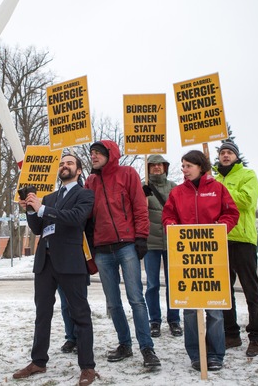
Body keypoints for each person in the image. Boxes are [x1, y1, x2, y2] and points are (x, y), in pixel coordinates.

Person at [13, 154, 97, 385]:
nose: (64, 166)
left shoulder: (85, 194)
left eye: (70, 163)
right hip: (44, 262)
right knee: (42, 314)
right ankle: (38, 361)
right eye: (62, 163)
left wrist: (42, 209)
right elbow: (38, 227)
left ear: (79, 171)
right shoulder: (49, 197)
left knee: (80, 313)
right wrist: (30, 209)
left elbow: (76, 218)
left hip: (71, 261)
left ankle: (87, 367)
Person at [84, 140, 161, 368]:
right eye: (91, 153)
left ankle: (147, 349)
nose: (94, 156)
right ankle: (124, 344)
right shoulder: (91, 181)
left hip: (127, 245)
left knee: (136, 299)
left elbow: (139, 206)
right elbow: (86, 215)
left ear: (111, 153)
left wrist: (141, 238)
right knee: (112, 302)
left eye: (98, 152)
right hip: (101, 249)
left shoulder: (127, 174)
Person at [161, 150, 239, 372]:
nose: (184, 170)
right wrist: (171, 227)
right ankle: (196, 354)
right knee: (189, 309)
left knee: (214, 309)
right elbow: (168, 216)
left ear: (200, 166)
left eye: (188, 166)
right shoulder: (177, 193)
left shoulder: (217, 189)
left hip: (212, 257)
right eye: (183, 165)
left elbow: (231, 213)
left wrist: (219, 227)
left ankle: (215, 354)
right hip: (186, 258)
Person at [213, 141, 258, 357]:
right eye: (222, 152)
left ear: (236, 156)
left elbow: (246, 200)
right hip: (220, 239)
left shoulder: (247, 174)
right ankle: (231, 334)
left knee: (250, 290)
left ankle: (256, 336)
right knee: (224, 292)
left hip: (243, 239)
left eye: (229, 153)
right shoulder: (212, 178)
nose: (225, 155)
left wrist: (218, 192)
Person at [142, 154, 183, 338]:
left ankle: (174, 319)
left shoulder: (174, 187)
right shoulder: (143, 188)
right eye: (153, 165)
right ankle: (154, 321)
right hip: (151, 243)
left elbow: (181, 210)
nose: (157, 168)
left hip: (172, 242)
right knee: (152, 284)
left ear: (165, 167)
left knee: (173, 283)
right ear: (148, 168)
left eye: (160, 165)